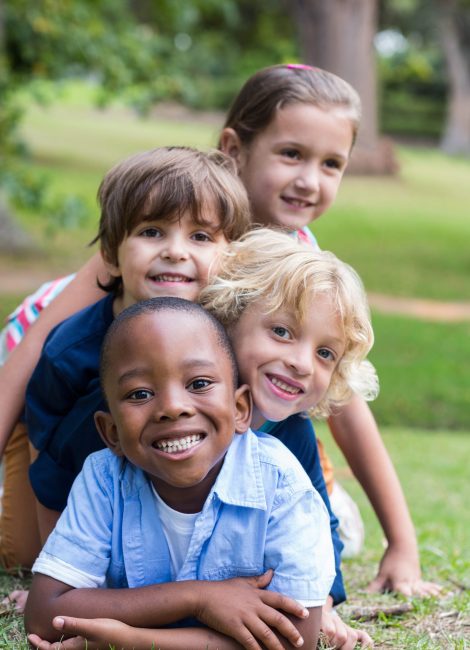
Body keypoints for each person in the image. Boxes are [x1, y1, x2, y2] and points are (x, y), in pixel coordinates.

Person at [0, 63, 440, 642]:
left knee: (265, 407)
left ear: (226, 252)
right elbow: (39, 355)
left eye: (331, 164)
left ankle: (316, 508)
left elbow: (337, 396)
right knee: (22, 544)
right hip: (40, 407)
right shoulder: (149, 223)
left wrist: (396, 545)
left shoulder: (285, 265)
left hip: (175, 424)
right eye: (291, 154)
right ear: (235, 147)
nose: (308, 180)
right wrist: (65, 574)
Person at [28, 230, 378, 650]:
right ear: (228, 319)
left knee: (324, 516)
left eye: (325, 353)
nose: (301, 362)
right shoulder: (108, 460)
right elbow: (49, 601)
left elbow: (296, 630)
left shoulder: (287, 461)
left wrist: (322, 600)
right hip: (65, 484)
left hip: (293, 515)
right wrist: (56, 571)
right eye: (282, 332)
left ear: (241, 407)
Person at [2, 145, 251, 571]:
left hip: (163, 452)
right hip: (50, 441)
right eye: (152, 232)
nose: (175, 251)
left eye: (200, 236)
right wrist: (56, 566)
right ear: (110, 256)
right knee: (20, 556)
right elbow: (51, 465)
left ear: (230, 257)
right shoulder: (69, 351)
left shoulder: (232, 336)